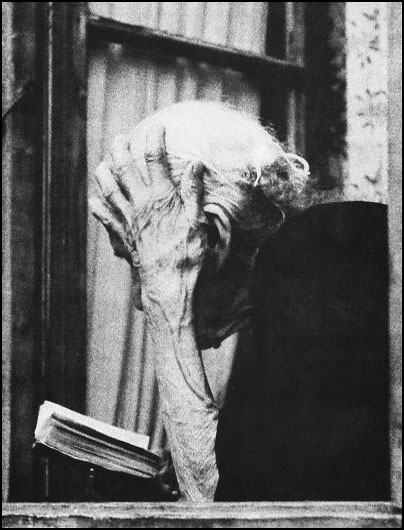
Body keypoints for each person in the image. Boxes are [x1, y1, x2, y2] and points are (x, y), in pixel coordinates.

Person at [89, 101, 310, 501]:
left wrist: (168, 303)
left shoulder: (327, 322)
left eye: (143, 260)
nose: (139, 297)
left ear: (213, 238)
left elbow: (214, 515)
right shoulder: (278, 315)